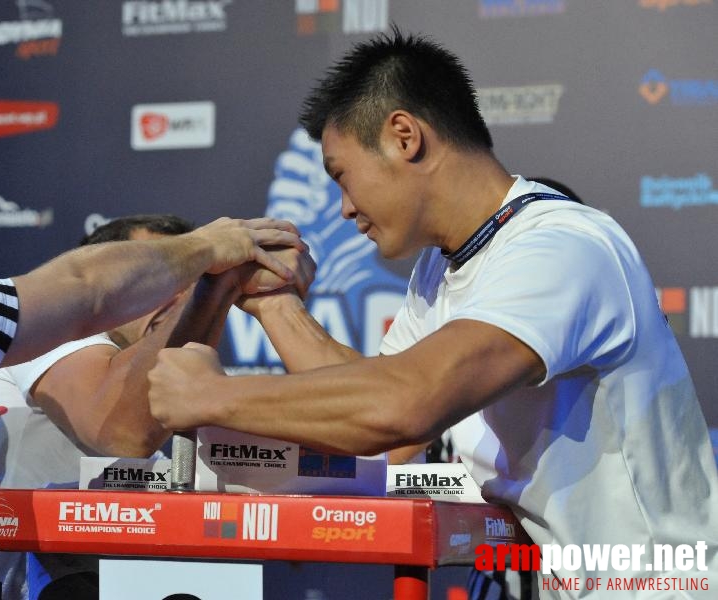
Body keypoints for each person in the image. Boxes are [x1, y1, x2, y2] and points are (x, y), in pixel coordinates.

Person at [146, 29, 718, 596]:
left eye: (342, 176)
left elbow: (405, 405)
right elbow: (382, 427)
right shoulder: (444, 267)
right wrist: (276, 306)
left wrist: (211, 396)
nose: (344, 209)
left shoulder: (563, 245)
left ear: (404, 137)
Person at [0, 191, 307, 600]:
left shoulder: (174, 362)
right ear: (123, 284)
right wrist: (210, 279)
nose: (177, 297)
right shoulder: (45, 339)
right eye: (169, 275)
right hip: (21, 584)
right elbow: (121, 430)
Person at [0, 213, 305, 600]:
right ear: (105, 280)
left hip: (116, 579)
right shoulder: (43, 325)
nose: (176, 298)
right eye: (161, 275)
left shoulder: (167, 366)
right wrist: (211, 287)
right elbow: (121, 432)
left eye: (188, 278)